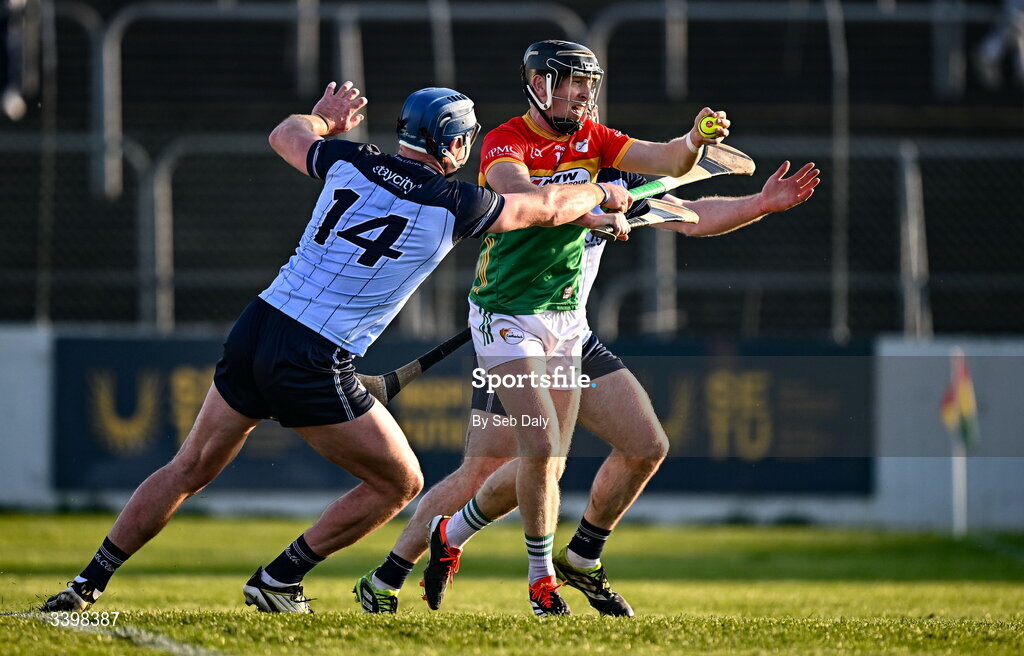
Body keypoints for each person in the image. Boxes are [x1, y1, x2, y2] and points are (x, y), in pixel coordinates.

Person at [41, 81, 632, 614]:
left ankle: (89, 581)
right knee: (399, 484)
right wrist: (604, 193)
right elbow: (550, 208)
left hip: (259, 325)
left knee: (188, 467)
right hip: (316, 355)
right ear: (451, 144)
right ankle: (280, 578)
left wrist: (324, 118)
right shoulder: (458, 205)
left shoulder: (349, 160)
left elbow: (286, 133)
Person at [354, 39, 739, 618]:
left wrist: (695, 144)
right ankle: (539, 582)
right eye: (568, 82)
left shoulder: (600, 145)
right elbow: (523, 198)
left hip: (567, 328)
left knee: (562, 456)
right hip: (506, 320)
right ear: (537, 83)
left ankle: (422, 555)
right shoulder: (506, 140)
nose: (581, 94)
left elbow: (671, 171)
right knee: (532, 454)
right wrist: (596, 210)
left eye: (588, 84)